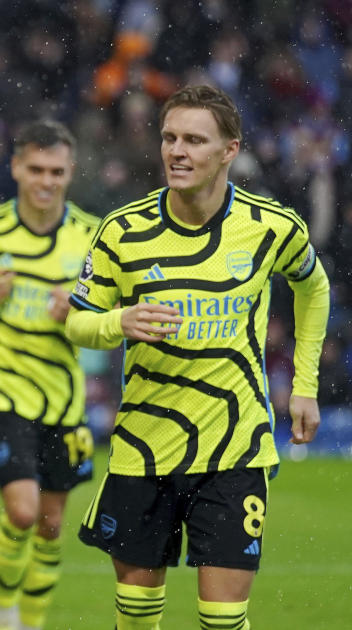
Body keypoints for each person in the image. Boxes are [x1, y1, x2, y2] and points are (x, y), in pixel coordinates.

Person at [67, 85, 330, 630]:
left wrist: (304, 385)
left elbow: (315, 288)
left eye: (193, 139)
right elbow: (77, 322)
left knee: (223, 621)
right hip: (143, 448)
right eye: (169, 137)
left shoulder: (270, 227)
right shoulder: (122, 231)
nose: (177, 151)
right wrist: (120, 322)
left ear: (229, 151)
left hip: (235, 450)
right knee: (137, 619)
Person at [0, 120, 99, 630]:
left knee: (52, 527)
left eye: (56, 171)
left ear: (70, 172)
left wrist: (77, 314)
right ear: (15, 167)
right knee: (24, 512)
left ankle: (31, 623)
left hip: (64, 395)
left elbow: (111, 320)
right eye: (35, 168)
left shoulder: (92, 237)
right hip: (2, 384)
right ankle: (5, 614)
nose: (46, 181)